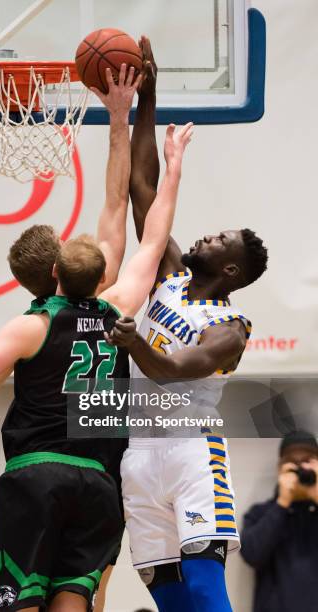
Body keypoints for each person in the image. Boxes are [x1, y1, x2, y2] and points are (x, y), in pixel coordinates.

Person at [0, 69, 193, 612]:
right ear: (68, 265)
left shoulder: (30, 326)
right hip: (103, 479)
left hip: (38, 473)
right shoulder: (115, 303)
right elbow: (138, 224)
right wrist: (130, 126)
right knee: (84, 599)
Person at [106, 36, 269, 612]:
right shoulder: (170, 275)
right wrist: (147, 95)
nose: (205, 235)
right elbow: (140, 186)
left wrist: (132, 341)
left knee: (204, 588)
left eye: (219, 239)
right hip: (139, 454)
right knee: (168, 598)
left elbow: (175, 371)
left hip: (192, 453)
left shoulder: (232, 328)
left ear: (230, 268)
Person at [240, 430, 318, 612]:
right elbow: (252, 554)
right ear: (279, 469)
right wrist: (282, 503)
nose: (301, 469)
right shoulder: (260, 513)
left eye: (307, 460)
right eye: (293, 463)